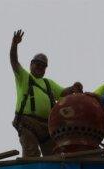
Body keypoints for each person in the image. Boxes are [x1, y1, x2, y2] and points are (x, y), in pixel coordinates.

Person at [10, 29, 83, 157]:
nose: (39, 67)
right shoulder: (24, 77)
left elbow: (63, 93)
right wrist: (14, 44)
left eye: (43, 65)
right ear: (31, 64)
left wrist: (74, 87)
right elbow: (14, 62)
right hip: (27, 122)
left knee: (54, 156)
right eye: (37, 64)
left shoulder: (48, 83)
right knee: (32, 154)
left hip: (47, 125)